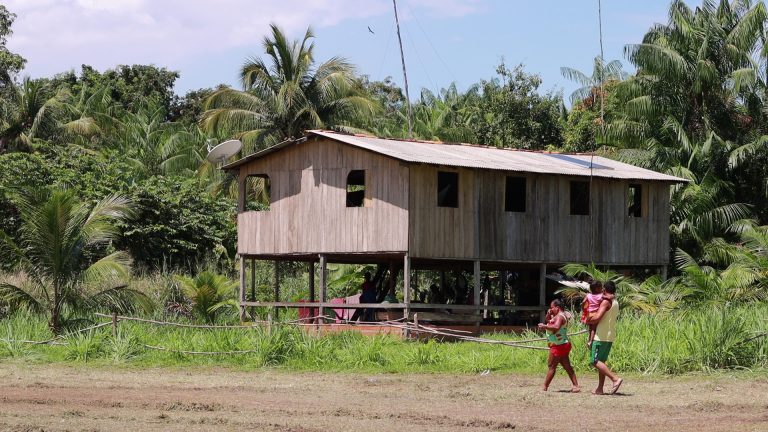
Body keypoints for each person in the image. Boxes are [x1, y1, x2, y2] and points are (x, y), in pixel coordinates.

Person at [585, 280, 623, 395]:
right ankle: (600, 389)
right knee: (602, 362)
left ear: (604, 290)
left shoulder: (606, 302)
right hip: (609, 335)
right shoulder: (615, 301)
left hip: (600, 336)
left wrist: (588, 320)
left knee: (595, 361)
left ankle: (615, 379)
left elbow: (597, 318)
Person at [538, 299, 580, 393]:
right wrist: (549, 314)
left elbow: (556, 327)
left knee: (551, 366)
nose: (550, 309)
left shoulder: (560, 317)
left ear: (557, 307)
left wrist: (544, 326)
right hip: (562, 344)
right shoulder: (557, 316)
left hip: (558, 345)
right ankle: (576, 385)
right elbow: (548, 320)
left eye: (552, 307)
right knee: (567, 366)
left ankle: (544, 387)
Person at [581, 280, 603, 348]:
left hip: (589, 314)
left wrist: (584, 309)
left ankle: (589, 341)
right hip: (595, 314)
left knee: (590, 329)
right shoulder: (601, 296)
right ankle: (591, 341)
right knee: (594, 329)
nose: (601, 289)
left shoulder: (588, 295)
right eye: (600, 288)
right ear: (597, 289)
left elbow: (583, 303)